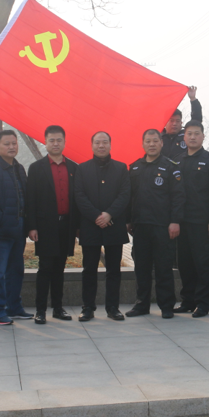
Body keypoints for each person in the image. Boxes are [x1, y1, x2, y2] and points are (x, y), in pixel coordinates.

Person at [126, 129, 184, 319]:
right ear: (143, 144)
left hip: (163, 226)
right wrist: (128, 220)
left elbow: (178, 197)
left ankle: (166, 305)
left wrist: (175, 221)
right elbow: (129, 197)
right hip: (140, 226)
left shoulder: (171, 167)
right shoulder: (135, 168)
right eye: (148, 141)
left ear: (161, 143)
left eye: (155, 141)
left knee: (163, 267)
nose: (151, 144)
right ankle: (141, 304)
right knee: (141, 267)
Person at [73, 131, 130, 322]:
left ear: (110, 145)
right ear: (92, 145)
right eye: (97, 142)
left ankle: (113, 307)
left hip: (114, 225)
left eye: (105, 142)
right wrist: (97, 216)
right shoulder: (82, 169)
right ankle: (88, 307)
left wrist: (109, 214)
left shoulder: (121, 168)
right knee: (89, 269)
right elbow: (79, 195)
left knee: (113, 270)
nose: (101, 146)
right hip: (91, 225)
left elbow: (125, 195)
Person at [26, 125, 79, 325]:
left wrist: (77, 227)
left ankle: (58, 308)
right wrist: (32, 226)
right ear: (45, 142)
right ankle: (40, 310)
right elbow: (31, 199)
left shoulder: (73, 168)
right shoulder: (36, 168)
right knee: (45, 268)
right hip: (45, 226)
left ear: (64, 142)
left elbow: (77, 200)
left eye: (59, 140)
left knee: (60, 268)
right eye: (51, 140)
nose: (55, 144)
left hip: (66, 225)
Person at [0, 130, 32, 326]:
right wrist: (3, 220)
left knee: (16, 270)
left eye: (14, 143)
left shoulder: (19, 168)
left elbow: (25, 197)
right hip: (1, 230)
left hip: (19, 228)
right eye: (7, 144)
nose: (11, 147)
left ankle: (14, 307)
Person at [174, 120, 209, 318]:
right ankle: (188, 301)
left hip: (203, 222)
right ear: (184, 137)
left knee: (204, 264)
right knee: (185, 264)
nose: (193, 137)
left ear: (203, 136)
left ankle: (203, 303)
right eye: (189, 134)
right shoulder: (177, 160)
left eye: (196, 133)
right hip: (182, 222)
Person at [161, 86, 203, 160]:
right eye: (172, 121)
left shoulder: (186, 135)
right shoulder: (158, 137)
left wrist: (193, 99)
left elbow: (196, 121)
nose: (174, 124)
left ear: (181, 122)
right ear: (165, 123)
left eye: (177, 121)